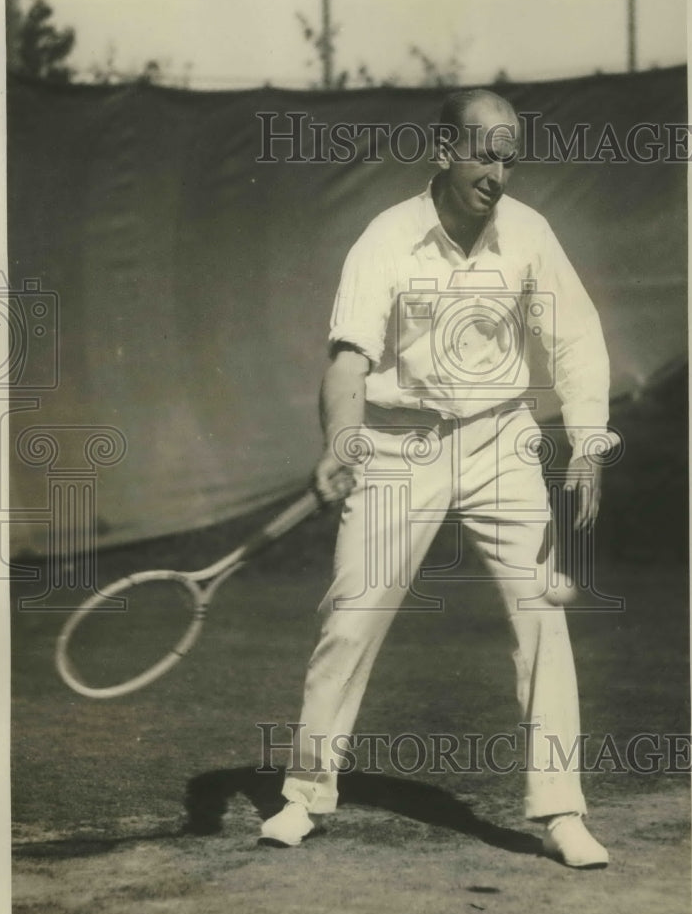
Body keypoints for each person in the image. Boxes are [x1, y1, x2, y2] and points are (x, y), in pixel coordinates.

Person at [259, 89, 614, 868]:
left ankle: (560, 811)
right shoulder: (384, 239)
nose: (499, 171)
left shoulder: (530, 235)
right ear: (444, 153)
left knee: (541, 614)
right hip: (397, 446)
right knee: (350, 617)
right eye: (485, 152)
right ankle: (304, 794)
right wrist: (342, 442)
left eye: (510, 156)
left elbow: (577, 339)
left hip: (501, 442)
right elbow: (349, 358)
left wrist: (586, 441)